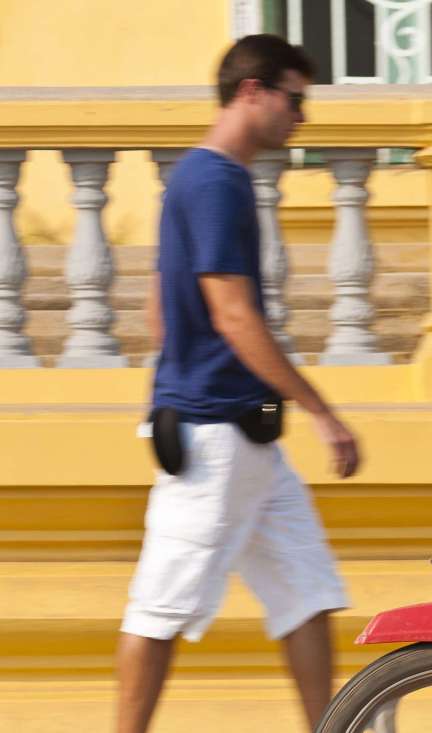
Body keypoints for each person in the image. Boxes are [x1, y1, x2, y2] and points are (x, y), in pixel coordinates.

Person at [116, 34, 361, 733]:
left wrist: (190, 376)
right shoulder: (218, 181)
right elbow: (231, 312)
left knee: (307, 591)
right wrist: (322, 411)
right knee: (160, 607)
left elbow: (159, 312)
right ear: (252, 91)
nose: (302, 116)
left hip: (242, 436)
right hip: (215, 441)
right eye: (295, 98)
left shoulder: (195, 178)